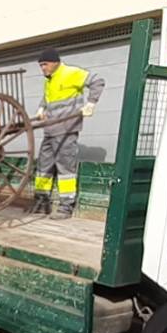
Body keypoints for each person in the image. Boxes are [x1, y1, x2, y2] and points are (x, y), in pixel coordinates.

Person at [30, 48, 105, 220]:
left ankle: (66, 207)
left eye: (45, 64)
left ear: (55, 62)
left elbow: (98, 81)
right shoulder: (49, 80)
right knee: (44, 167)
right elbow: (48, 97)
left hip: (67, 128)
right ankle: (42, 202)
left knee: (65, 168)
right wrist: (42, 107)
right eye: (40, 65)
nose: (42, 68)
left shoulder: (71, 73)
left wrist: (91, 103)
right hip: (50, 129)